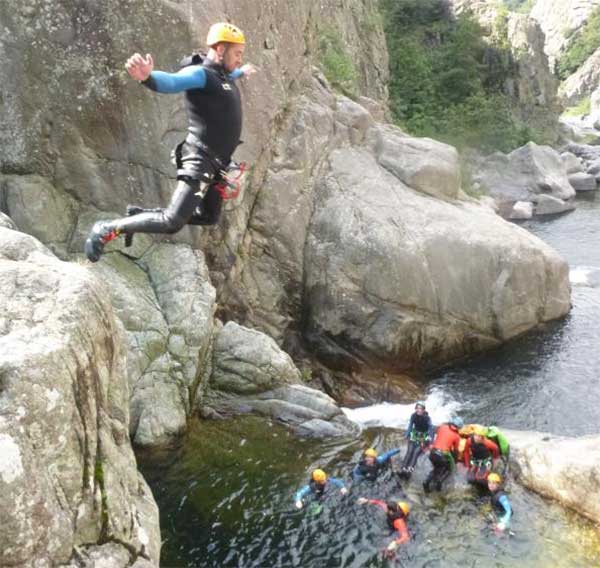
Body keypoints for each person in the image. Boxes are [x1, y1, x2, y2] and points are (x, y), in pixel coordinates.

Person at [84, 22, 256, 262]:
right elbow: (173, 82)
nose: (239, 59)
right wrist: (148, 77)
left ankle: (139, 215)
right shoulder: (201, 74)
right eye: (237, 54)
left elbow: (230, 75)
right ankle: (106, 229)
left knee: (208, 216)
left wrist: (241, 71)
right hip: (200, 159)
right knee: (172, 221)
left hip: (219, 165)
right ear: (219, 49)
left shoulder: (224, 75)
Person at [423, 416, 463, 492]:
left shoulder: (442, 427)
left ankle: (426, 481)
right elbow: (456, 450)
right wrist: (456, 461)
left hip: (432, 453)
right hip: (442, 455)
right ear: (458, 427)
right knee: (449, 468)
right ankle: (439, 481)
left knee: (436, 468)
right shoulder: (456, 436)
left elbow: (439, 436)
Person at [398, 401, 434, 479]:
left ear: (423, 410)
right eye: (417, 408)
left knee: (415, 453)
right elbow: (410, 426)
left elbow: (431, 430)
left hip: (423, 437)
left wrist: (431, 442)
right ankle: (403, 469)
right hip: (414, 435)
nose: (418, 410)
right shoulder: (413, 416)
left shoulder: (427, 418)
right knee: (409, 451)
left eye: (420, 408)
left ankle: (409, 471)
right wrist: (407, 435)